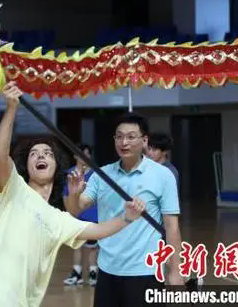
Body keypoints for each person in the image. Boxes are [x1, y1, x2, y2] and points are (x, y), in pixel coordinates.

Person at [0, 82, 146, 307]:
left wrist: (127, 217)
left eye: (47, 153)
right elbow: (0, 156)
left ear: (56, 166)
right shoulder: (14, 190)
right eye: (34, 153)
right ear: (26, 165)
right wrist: (11, 109)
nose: (41, 155)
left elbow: (98, 230)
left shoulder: (58, 219)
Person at [65, 112, 183, 307]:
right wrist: (74, 194)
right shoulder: (101, 175)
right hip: (107, 271)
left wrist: (176, 271)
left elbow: (172, 227)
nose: (124, 142)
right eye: (119, 136)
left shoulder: (163, 176)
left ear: (144, 140)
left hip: (146, 272)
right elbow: (74, 211)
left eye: (130, 136)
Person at [62, 144, 99, 286]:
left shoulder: (96, 174)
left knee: (93, 247)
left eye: (87, 154)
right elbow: (66, 194)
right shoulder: (71, 173)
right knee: (76, 245)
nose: (84, 157)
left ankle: (93, 273)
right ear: (75, 156)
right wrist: (69, 212)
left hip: (93, 216)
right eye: (80, 154)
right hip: (76, 217)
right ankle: (76, 274)